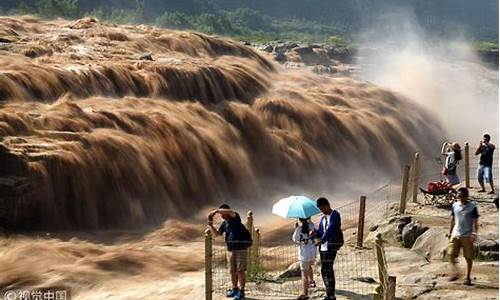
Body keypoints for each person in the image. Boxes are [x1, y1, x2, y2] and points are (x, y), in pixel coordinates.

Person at [208, 204, 252, 300]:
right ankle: (235, 289)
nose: (221, 216)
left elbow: (229, 211)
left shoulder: (235, 216)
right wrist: (211, 226)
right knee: (232, 271)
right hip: (230, 249)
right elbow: (217, 234)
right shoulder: (225, 223)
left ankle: (241, 291)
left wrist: (215, 211)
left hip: (241, 248)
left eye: (222, 213)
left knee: (240, 271)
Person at [448, 187, 479, 285]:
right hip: (455, 233)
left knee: (468, 257)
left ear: (466, 196)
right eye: (459, 196)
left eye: (462, 196)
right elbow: (453, 220)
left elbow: (475, 222)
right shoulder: (454, 205)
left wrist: (474, 233)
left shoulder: (472, 207)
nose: (460, 198)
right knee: (451, 254)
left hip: (467, 235)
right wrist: (450, 232)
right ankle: (456, 272)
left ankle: (468, 277)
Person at [314, 197, 343, 300]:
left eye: (322, 208)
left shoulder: (335, 215)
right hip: (323, 248)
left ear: (327, 205)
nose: (321, 211)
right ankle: (329, 293)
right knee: (324, 270)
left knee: (328, 269)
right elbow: (321, 231)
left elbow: (331, 229)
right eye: (320, 209)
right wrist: (314, 232)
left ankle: (331, 294)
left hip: (331, 246)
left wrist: (321, 240)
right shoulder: (323, 218)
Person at [292, 218, 317, 300]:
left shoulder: (299, 229)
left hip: (304, 254)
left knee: (304, 274)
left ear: (300, 220)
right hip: (313, 253)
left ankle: (305, 294)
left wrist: (296, 228)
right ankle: (312, 282)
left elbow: (295, 239)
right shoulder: (313, 225)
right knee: (309, 267)